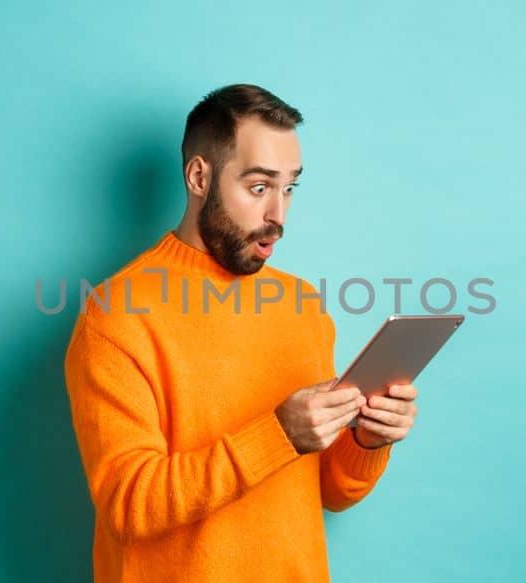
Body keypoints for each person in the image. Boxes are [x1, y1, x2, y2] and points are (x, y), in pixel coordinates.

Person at [63, 83, 421, 582]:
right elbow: (128, 504)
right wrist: (277, 435)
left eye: (289, 187)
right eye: (259, 187)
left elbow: (334, 492)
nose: (278, 215)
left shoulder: (302, 308)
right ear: (198, 177)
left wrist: (369, 438)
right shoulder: (117, 316)